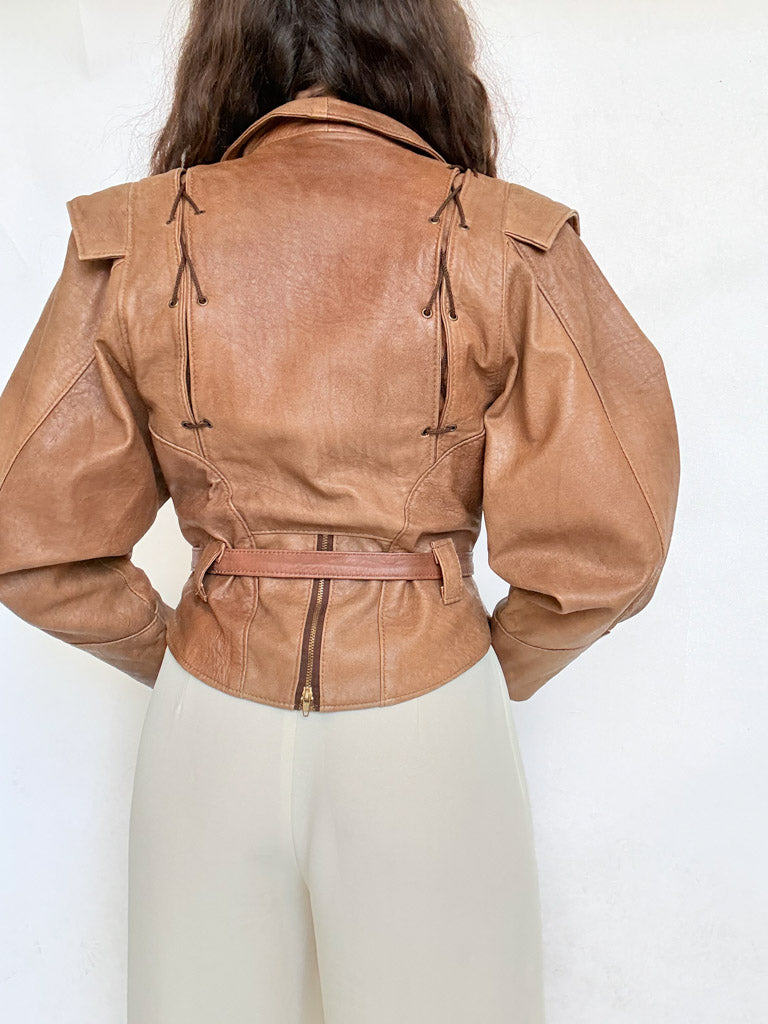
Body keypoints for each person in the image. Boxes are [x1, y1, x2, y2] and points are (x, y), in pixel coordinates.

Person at [0, 1, 680, 1022]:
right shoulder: (509, 241)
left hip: (206, 728)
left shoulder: (133, 240)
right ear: (421, 44)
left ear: (224, 46)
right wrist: (478, 658)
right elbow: (611, 546)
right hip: (429, 726)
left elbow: (28, 533)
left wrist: (183, 647)